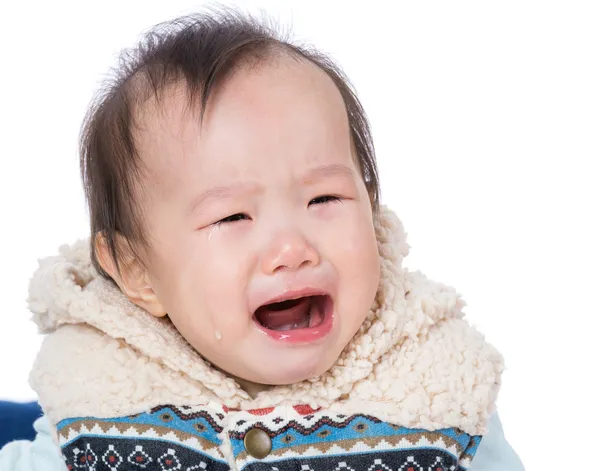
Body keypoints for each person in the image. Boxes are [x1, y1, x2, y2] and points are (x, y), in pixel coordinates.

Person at [0, 8, 524, 470]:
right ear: (138, 273)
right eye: (232, 217)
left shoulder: (437, 392)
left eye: (325, 200)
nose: (292, 247)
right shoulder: (97, 402)